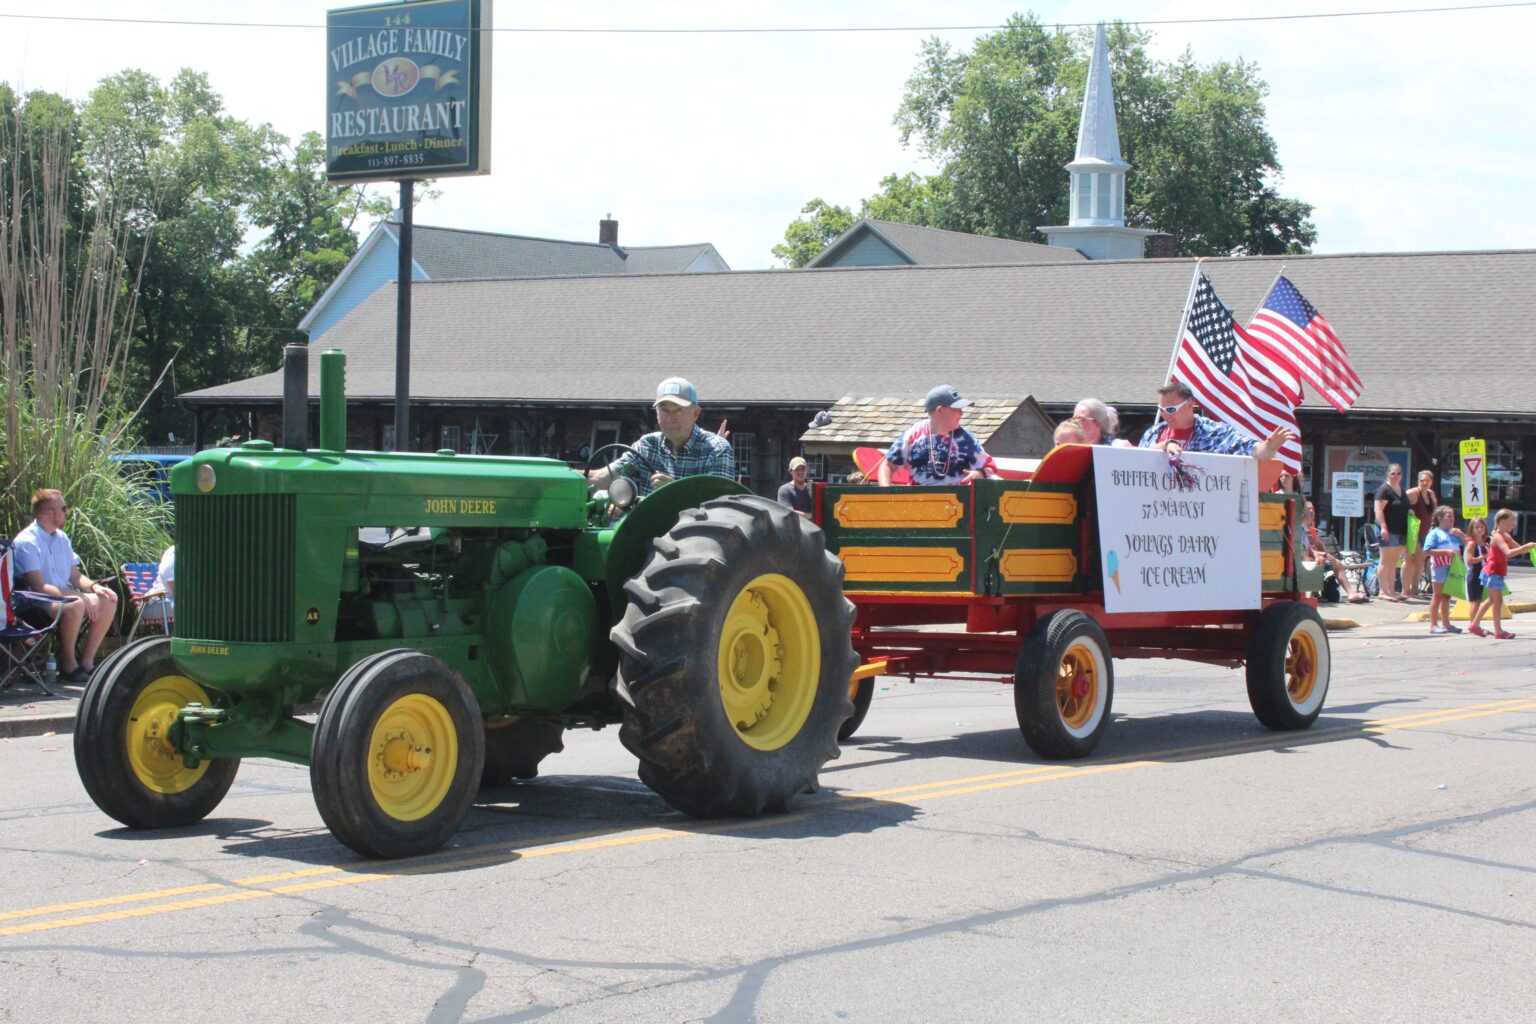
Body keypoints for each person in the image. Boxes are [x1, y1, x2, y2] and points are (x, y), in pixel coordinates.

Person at [11, 489, 118, 684]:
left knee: (109, 598)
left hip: (63, 595)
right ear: (47, 513)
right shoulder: (26, 541)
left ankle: (87, 663)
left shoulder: (61, 538)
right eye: (63, 508)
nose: (67, 512)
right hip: (36, 601)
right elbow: (39, 587)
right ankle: (68, 664)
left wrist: (94, 588)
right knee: (76, 604)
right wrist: (81, 597)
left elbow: (75, 576)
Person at [586, 377, 734, 497]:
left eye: (678, 410)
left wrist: (676, 492)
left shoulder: (717, 449)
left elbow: (720, 504)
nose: (670, 418)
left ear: (695, 413)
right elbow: (600, 477)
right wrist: (572, 475)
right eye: (664, 410)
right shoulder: (647, 445)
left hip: (699, 526)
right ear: (657, 413)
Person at [1137, 381, 1295, 460]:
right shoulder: (1154, 433)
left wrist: (1269, 446)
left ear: (1190, 405)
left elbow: (1254, 451)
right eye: (1161, 409)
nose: (1165, 415)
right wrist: (1164, 445)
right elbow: (1137, 460)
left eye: (1171, 410)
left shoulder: (1215, 433)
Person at [879, 385, 994, 486]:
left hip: (955, 501)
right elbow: (887, 466)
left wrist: (979, 474)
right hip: (918, 501)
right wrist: (886, 493)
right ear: (940, 411)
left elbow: (990, 467)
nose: (961, 413)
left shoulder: (966, 440)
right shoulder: (913, 435)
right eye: (957, 409)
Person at [1468, 508, 1536, 639]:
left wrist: (1531, 547)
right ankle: (1498, 631)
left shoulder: (1506, 536)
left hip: (1496, 572)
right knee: (1497, 601)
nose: (1513, 524)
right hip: (1492, 572)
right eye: (1511, 521)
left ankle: (1474, 625)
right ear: (1502, 522)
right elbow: (1508, 553)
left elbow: (1519, 549)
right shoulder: (1498, 537)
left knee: (1491, 600)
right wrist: (1525, 547)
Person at [1302, 502, 1368, 604]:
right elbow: (1303, 548)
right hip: (1303, 559)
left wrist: (1316, 539)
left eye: (1312, 509)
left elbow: (1318, 547)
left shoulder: (1310, 528)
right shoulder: (1300, 528)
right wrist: (1318, 554)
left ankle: (1351, 593)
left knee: (1336, 562)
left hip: (1311, 558)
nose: (1311, 511)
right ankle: (1312, 595)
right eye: (1308, 509)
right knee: (1321, 561)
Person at [1419, 506, 1466, 635]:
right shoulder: (1435, 533)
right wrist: (1445, 552)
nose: (1451, 519)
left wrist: (1461, 534)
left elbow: (1469, 543)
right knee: (1437, 595)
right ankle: (1433, 624)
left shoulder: (1454, 533)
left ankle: (1446, 623)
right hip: (1439, 567)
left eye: (1452, 516)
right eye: (1448, 516)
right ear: (1439, 518)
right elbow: (1427, 550)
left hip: (1453, 568)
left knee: (1447, 596)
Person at [1373, 464, 1411, 602]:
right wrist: (1383, 527)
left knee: (1393, 562)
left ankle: (1391, 591)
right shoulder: (1384, 490)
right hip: (1388, 530)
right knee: (1385, 561)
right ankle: (1383, 591)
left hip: (1400, 530)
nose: (1396, 476)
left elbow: (1405, 507)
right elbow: (1378, 510)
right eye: (1393, 473)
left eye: (1398, 473)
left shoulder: (1401, 490)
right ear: (1388, 474)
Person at [1404, 469, 1439, 600]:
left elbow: (1435, 511)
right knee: (1409, 561)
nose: (1425, 483)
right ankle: (1405, 590)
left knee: (1420, 561)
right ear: (1418, 481)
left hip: (1426, 531)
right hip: (1413, 532)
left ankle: (1415, 589)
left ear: (1431, 482)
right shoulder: (1412, 493)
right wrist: (1408, 511)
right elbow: (1398, 506)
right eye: (1422, 480)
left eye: (1428, 481)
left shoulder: (1431, 494)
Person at [1462, 517, 1490, 628]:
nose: (1479, 529)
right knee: (1475, 601)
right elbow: (1469, 560)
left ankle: (1475, 624)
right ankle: (1473, 624)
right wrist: (1483, 556)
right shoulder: (1472, 544)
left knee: (1479, 600)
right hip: (1474, 574)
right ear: (1471, 529)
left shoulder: (1485, 544)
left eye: (1482, 527)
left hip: (1484, 574)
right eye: (1476, 527)